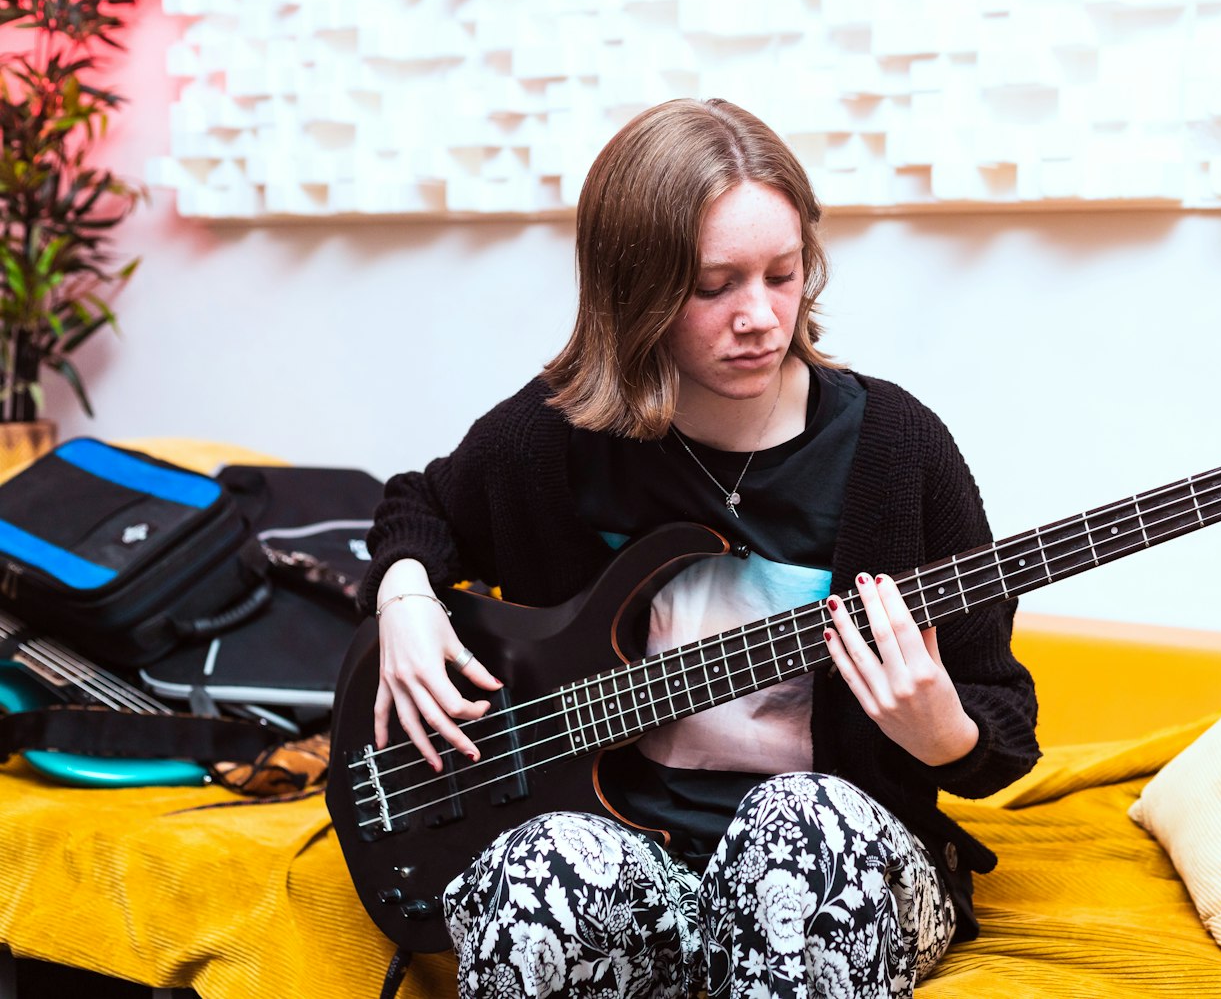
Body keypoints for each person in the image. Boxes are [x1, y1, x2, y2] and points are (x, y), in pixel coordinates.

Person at [359, 98, 1041, 999]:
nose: (759, 315)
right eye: (715, 286)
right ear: (631, 288)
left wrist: (944, 735)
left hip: (835, 859)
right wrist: (403, 594)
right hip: (634, 862)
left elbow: (1005, 731)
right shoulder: (553, 436)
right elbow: (421, 505)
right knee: (539, 868)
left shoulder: (899, 450)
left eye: (783, 275)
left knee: (803, 827)